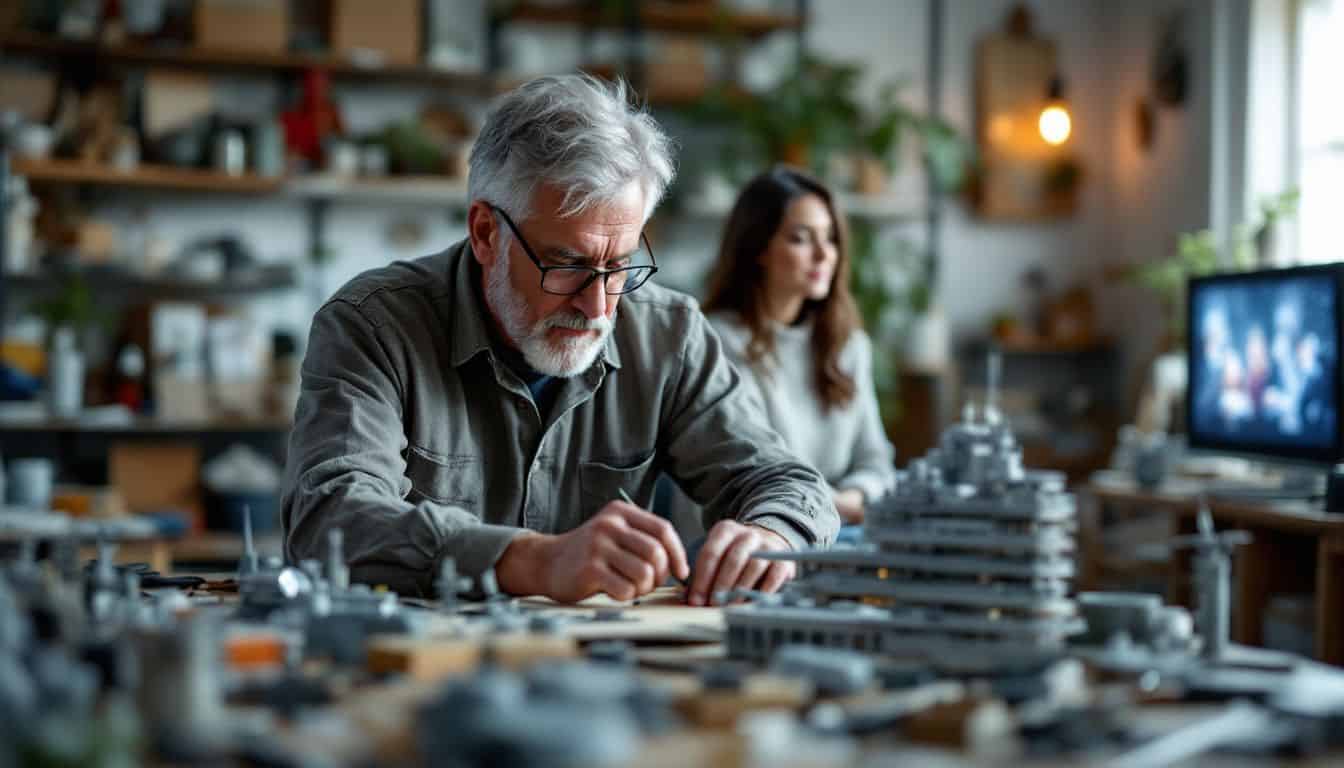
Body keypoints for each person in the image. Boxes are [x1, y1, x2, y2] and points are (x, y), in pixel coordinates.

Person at [280, 76, 838, 606]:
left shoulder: (669, 335)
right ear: (485, 233)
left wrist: (773, 535)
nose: (598, 307)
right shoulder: (373, 325)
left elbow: (787, 481)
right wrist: (532, 562)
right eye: (567, 265)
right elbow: (331, 517)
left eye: (618, 266)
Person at [673, 167, 896, 531]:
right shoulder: (716, 343)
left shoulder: (849, 346)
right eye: (801, 238)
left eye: (831, 238)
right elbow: (743, 478)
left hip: (837, 536)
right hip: (748, 545)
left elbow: (876, 463)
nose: (824, 254)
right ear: (758, 247)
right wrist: (830, 508)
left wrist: (851, 499)